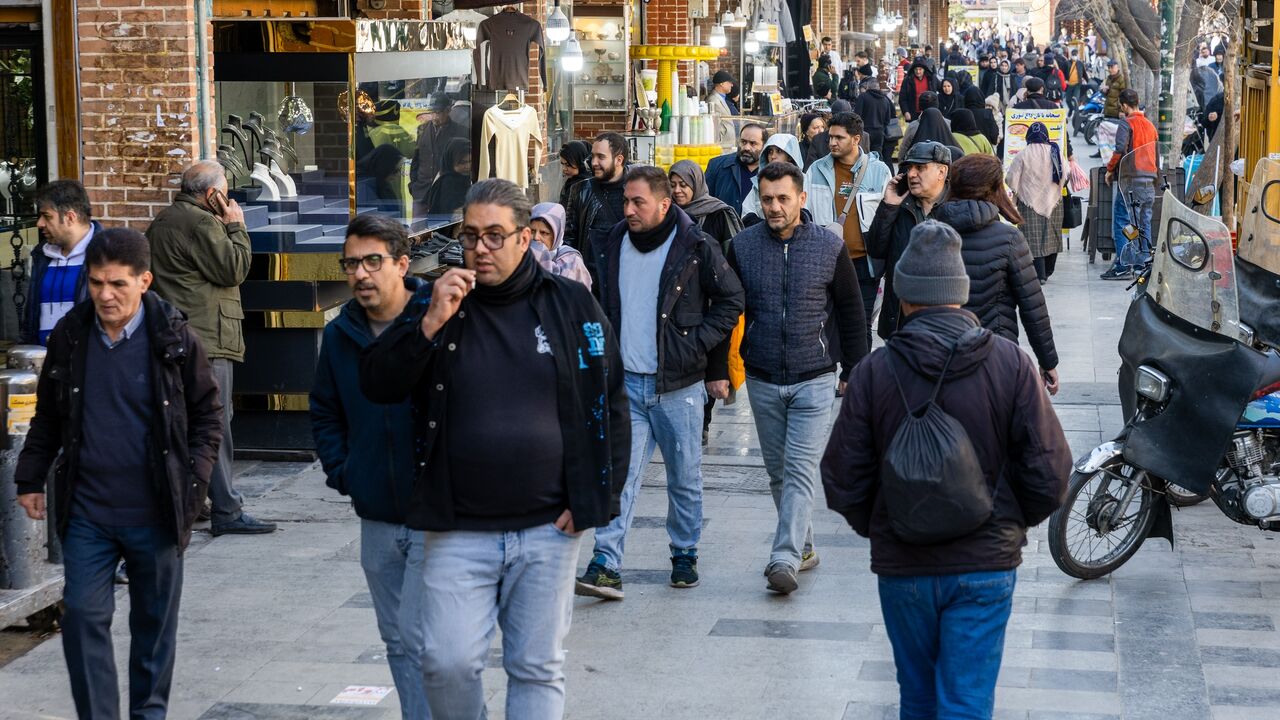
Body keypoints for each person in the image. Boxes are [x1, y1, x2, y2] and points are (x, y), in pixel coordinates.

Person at [359, 178, 630, 719]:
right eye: (470, 235)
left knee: (536, 666)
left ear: (525, 238)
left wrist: (596, 499)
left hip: (548, 528)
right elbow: (378, 382)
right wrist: (429, 324)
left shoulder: (570, 304)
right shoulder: (438, 301)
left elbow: (611, 401)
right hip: (458, 527)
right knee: (445, 662)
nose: (480, 248)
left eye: (494, 236)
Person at [821, 219, 1070, 720]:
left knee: (917, 699)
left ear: (904, 296)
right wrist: (1005, 522)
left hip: (904, 567)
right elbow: (1051, 472)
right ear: (960, 292)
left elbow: (842, 477)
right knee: (966, 703)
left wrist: (888, 523)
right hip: (985, 564)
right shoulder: (1010, 364)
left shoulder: (873, 373)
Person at [15, 227, 222, 720]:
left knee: (153, 625)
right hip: (89, 510)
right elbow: (49, 414)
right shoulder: (71, 335)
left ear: (144, 281)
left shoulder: (175, 338)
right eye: (96, 283)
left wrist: (194, 485)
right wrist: (30, 476)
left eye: (117, 284)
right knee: (83, 615)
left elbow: (208, 416)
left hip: (158, 508)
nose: (105, 295)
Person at [576, 166, 744, 599]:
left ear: (665, 204)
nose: (628, 210)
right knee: (620, 477)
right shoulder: (612, 242)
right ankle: (606, 563)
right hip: (626, 385)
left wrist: (697, 345)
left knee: (684, 477)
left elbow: (731, 299)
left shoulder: (695, 245)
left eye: (638, 202)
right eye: (626, 201)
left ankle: (684, 552)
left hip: (678, 387)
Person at [724, 161, 868, 594]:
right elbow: (727, 312)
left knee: (800, 469)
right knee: (778, 473)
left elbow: (852, 312)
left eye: (783, 198)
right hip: (763, 376)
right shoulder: (742, 247)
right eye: (767, 199)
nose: (775, 207)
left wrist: (854, 370)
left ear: (801, 199)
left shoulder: (828, 246)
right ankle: (804, 547)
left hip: (815, 377)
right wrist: (719, 370)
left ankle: (783, 557)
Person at [310, 214, 431, 720]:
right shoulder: (341, 334)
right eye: (351, 263)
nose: (360, 273)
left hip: (436, 515)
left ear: (402, 264)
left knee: (429, 639)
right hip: (376, 512)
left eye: (372, 261)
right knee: (397, 639)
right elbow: (325, 409)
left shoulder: (438, 319)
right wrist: (346, 471)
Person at [146, 160, 276, 536]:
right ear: (213, 194)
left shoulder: (162, 220)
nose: (230, 199)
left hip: (176, 334)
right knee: (214, 422)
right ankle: (226, 509)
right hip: (208, 338)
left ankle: (193, 497)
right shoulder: (202, 222)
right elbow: (233, 268)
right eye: (226, 192)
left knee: (188, 421)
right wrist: (236, 225)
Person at [931, 154, 1060, 391]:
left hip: (939, 355)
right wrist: (1047, 361)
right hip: (997, 355)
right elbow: (1033, 306)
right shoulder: (1009, 238)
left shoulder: (928, 234)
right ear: (994, 189)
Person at [806, 112, 892, 335]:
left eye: (839, 138)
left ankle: (859, 360)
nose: (832, 143)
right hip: (826, 262)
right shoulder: (816, 170)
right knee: (828, 325)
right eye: (830, 137)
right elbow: (805, 213)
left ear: (856, 139)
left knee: (861, 326)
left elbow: (888, 217)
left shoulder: (879, 171)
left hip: (865, 265)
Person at [868, 141, 951, 339]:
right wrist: (888, 206)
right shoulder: (900, 204)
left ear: (941, 172)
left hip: (942, 322)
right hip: (899, 319)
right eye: (909, 167)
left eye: (920, 168)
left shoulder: (957, 208)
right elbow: (875, 249)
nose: (911, 174)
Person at [26, 180, 100, 345]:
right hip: (43, 358)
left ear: (70, 217)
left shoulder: (105, 253)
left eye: (47, 216)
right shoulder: (41, 255)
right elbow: (30, 318)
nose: (39, 223)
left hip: (85, 357)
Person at [1101, 88, 1157, 281]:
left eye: (1121, 106)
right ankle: (1143, 262)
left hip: (1131, 180)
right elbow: (1156, 154)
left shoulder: (1127, 123)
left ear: (1125, 105)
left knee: (1122, 220)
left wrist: (1110, 169)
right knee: (1144, 221)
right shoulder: (1150, 125)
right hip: (1149, 180)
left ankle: (1123, 264)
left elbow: (1119, 150)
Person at [1007, 122, 1069, 282]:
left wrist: (1022, 189)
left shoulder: (1023, 154)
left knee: (1032, 238)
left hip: (1029, 202)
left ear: (1029, 137)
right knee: (1052, 236)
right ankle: (1048, 271)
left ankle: (1039, 275)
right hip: (1054, 201)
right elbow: (1066, 174)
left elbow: (1010, 179)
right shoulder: (1056, 152)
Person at [566, 131, 629, 285]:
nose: (593, 162)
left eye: (601, 157)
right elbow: (569, 239)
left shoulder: (638, 190)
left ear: (619, 160)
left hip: (627, 278)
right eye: (592, 156)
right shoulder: (580, 190)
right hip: (591, 281)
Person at [669, 159, 743, 250]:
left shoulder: (719, 213)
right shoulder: (668, 213)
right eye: (672, 185)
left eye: (683, 185)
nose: (677, 190)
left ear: (696, 184)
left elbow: (732, 251)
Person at [409, 92, 467, 201]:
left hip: (447, 194)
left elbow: (464, 165)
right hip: (421, 192)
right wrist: (413, 185)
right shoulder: (422, 129)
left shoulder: (461, 132)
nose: (434, 117)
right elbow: (416, 159)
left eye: (438, 112)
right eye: (432, 112)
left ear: (448, 110)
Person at [705, 123, 767, 215]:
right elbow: (704, 202)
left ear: (764, 146)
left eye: (753, 143)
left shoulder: (771, 171)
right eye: (743, 142)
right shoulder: (717, 166)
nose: (746, 148)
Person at [742, 133, 806, 221]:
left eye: (779, 151)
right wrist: (767, 226)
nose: (773, 156)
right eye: (770, 152)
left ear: (790, 156)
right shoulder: (760, 183)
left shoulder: (805, 182)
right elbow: (747, 214)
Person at [528, 201, 592, 290]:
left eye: (544, 233)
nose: (536, 237)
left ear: (557, 235)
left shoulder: (572, 261)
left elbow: (581, 296)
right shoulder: (521, 256)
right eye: (532, 231)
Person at [422, 139, 472, 216]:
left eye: (471, 161)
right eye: (462, 162)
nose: (468, 166)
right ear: (450, 162)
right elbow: (451, 212)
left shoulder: (467, 179)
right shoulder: (449, 182)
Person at [855, 78, 896, 163]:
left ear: (867, 86)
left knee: (863, 156)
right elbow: (887, 119)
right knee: (877, 156)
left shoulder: (863, 97)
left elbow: (857, 115)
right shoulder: (885, 99)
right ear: (878, 87)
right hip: (879, 132)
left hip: (865, 132)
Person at [558, 140, 592, 209]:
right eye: (562, 164)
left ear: (579, 161)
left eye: (568, 165)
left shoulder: (584, 186)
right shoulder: (572, 182)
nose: (564, 169)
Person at [1063, 48, 1090, 112]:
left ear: (1077, 55)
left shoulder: (1080, 63)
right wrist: (1064, 80)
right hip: (1069, 84)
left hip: (1077, 84)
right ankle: (1071, 108)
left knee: (1076, 98)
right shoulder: (1066, 63)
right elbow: (1062, 72)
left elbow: (1084, 73)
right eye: (1073, 55)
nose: (1074, 56)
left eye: (1075, 55)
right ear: (1071, 55)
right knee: (1068, 100)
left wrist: (1088, 81)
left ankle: (1076, 112)